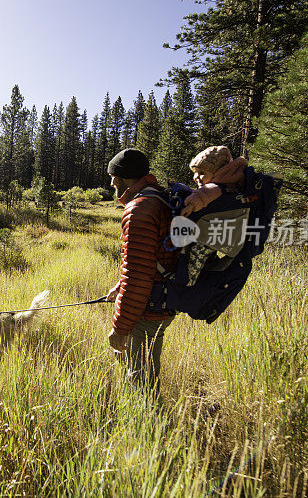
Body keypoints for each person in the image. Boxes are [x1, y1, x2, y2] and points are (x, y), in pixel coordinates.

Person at [105, 148, 179, 393]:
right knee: (139, 373)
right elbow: (151, 258)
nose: (111, 182)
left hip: (147, 310)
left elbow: (138, 277)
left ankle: (149, 428)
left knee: (140, 382)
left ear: (124, 178)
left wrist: (120, 327)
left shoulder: (139, 210)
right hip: (161, 302)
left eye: (113, 176)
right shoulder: (158, 199)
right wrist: (119, 287)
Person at [180, 146, 248, 285]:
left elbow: (202, 195)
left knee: (195, 257)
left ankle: (188, 282)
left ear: (217, 172)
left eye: (202, 172)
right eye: (195, 172)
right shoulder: (231, 185)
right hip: (222, 237)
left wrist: (190, 205)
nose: (196, 177)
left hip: (208, 238)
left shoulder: (216, 186)